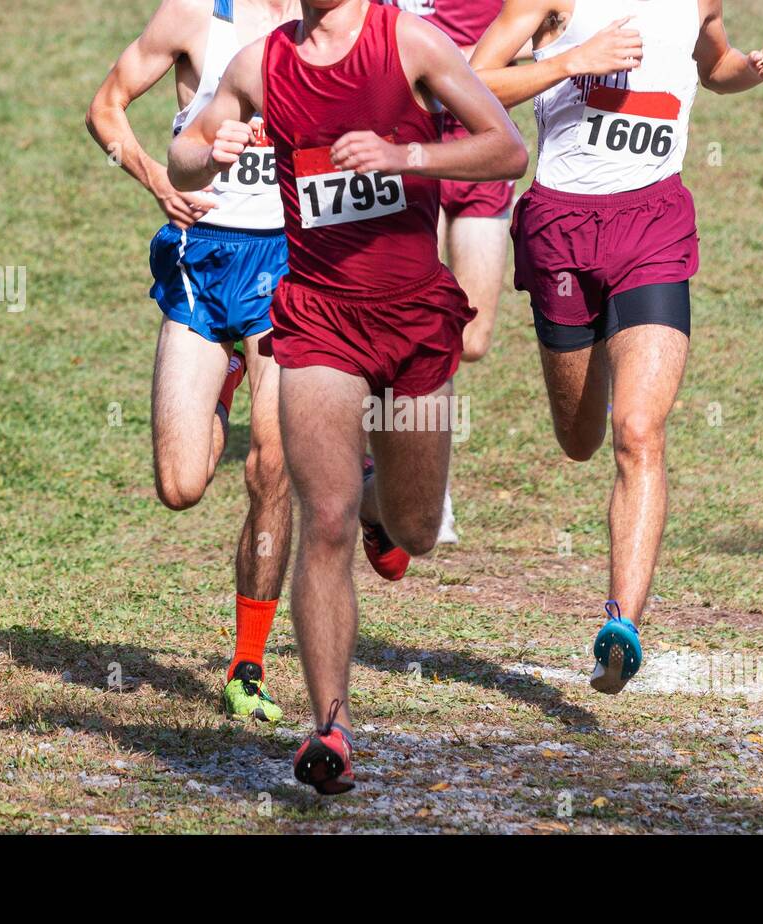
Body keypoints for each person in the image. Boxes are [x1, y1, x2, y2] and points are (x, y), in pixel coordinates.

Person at [169, 0, 528, 793]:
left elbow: (507, 149)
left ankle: (381, 505)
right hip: (319, 320)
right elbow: (184, 163)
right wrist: (207, 149)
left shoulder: (409, 42)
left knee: (416, 528)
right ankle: (329, 727)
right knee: (321, 518)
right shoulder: (261, 65)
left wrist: (407, 156)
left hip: (414, 322)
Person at [471, 0, 763, 693]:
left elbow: (715, 66)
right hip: (560, 227)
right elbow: (473, 79)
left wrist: (757, 68)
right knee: (580, 438)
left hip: (653, 225)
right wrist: (567, 64)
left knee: (639, 430)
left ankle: (621, 626)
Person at [86, 0, 303, 723]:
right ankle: (227, 376)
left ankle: (247, 665)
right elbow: (107, 108)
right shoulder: (191, 16)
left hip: (290, 263)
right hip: (203, 264)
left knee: (272, 466)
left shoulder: (331, 21)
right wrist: (157, 177)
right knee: (180, 486)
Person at [386, 0, 520, 544]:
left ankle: (402, 458)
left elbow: (541, 37)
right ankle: (424, 487)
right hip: (407, 153)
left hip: (479, 149)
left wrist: (458, 65)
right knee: (415, 321)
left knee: (472, 338)